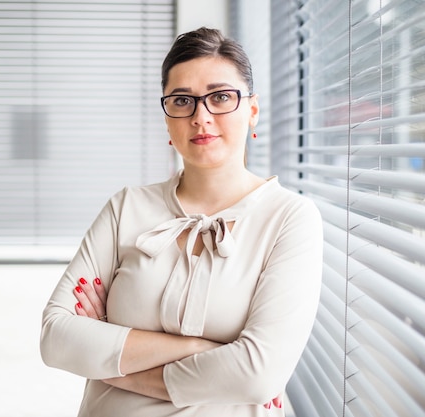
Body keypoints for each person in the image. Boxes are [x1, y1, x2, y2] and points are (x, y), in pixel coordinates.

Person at [40, 27, 323, 417]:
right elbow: (57, 338)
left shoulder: (290, 218)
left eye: (221, 97)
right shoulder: (126, 207)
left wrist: (114, 363)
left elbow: (258, 375)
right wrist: (199, 350)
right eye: (182, 100)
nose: (200, 116)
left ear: (252, 110)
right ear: (167, 119)